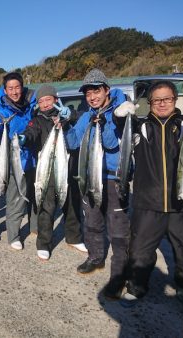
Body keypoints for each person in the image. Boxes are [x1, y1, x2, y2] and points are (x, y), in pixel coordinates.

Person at [116, 80, 183, 317]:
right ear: (150, 103)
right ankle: (136, 287)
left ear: (175, 101)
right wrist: (120, 115)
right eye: (157, 100)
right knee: (139, 251)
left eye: (167, 99)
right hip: (148, 204)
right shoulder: (142, 126)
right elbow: (122, 130)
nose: (162, 104)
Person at [65, 69, 130, 299]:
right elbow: (73, 142)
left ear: (106, 90)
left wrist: (106, 122)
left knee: (118, 231)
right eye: (88, 93)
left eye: (96, 91)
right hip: (90, 177)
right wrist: (67, 123)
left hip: (113, 178)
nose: (92, 96)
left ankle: (119, 276)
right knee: (92, 222)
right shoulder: (86, 116)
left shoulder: (120, 112)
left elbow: (111, 144)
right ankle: (95, 257)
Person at [18, 85, 86, 260]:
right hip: (47, 172)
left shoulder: (68, 114)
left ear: (56, 99)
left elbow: (83, 118)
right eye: (41, 101)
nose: (45, 104)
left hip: (69, 169)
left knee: (72, 206)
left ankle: (74, 238)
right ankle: (44, 244)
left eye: (48, 99)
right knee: (46, 208)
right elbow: (31, 131)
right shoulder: (38, 120)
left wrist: (68, 117)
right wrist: (24, 138)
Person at [0, 72, 37, 250]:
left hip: (35, 161)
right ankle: (14, 235)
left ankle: (35, 228)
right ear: (5, 91)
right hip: (16, 164)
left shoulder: (32, 105)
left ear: (22, 87)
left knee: (37, 197)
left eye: (17, 87)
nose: (15, 92)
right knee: (15, 200)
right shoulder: (3, 112)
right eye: (10, 88)